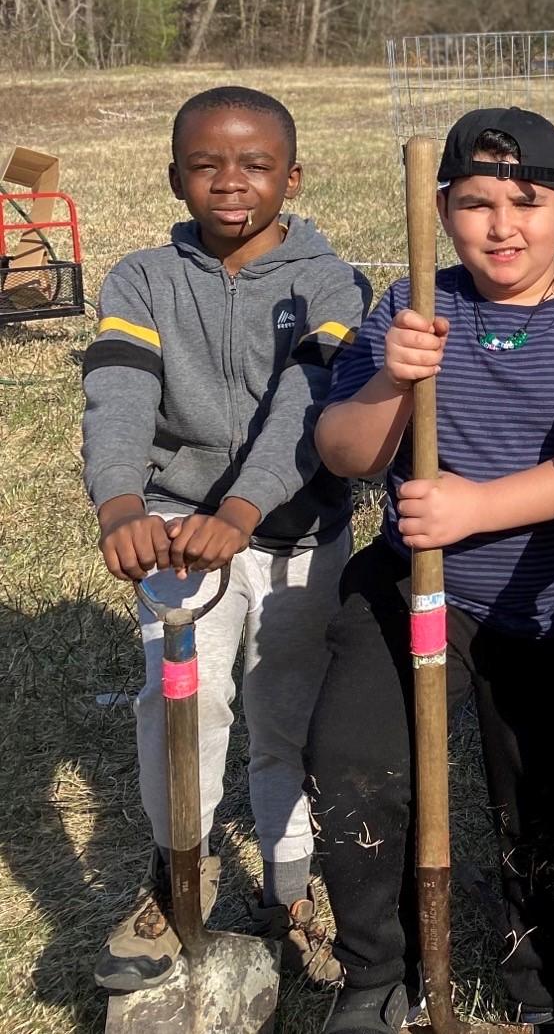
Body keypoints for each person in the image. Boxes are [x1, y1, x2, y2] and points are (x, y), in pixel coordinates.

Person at [309, 107, 554, 1034]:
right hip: (420, 591)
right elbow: (343, 452)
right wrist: (391, 380)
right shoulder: (413, 305)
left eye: (526, 202)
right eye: (475, 204)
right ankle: (379, 974)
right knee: (355, 763)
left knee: (550, 806)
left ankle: (544, 986)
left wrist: (480, 506)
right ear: (441, 211)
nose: (503, 227)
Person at [86, 86, 369, 993]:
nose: (231, 184)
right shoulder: (142, 278)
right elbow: (121, 390)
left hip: (292, 534)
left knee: (284, 716)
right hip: (172, 532)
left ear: (293, 175)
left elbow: (308, 402)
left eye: (254, 165)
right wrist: (121, 505)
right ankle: (179, 877)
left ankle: (289, 891)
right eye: (206, 166)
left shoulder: (331, 281)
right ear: (176, 178)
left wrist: (244, 511)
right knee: (184, 704)